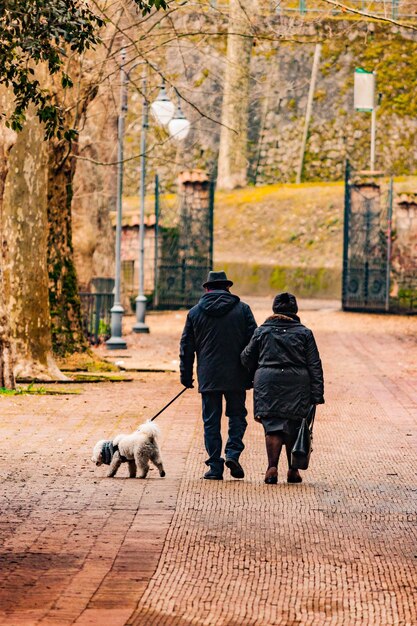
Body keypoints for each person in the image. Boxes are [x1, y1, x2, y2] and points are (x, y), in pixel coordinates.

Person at [180, 271, 257, 480]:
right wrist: (251, 371)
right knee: (237, 416)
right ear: (227, 288)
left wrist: (186, 377)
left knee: (211, 421)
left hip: (209, 376)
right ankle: (232, 453)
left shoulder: (194, 313)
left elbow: (186, 348)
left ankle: (215, 466)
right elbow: (255, 343)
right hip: (237, 375)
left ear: (207, 289)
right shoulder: (243, 310)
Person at [241, 292, 324, 485]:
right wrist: (317, 394)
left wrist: (258, 369)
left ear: (274, 309)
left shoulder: (261, 331)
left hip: (268, 383)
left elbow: (246, 357)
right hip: (297, 384)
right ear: (295, 310)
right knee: (294, 424)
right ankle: (292, 470)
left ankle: (272, 468)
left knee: (273, 425)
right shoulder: (305, 333)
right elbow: (314, 365)